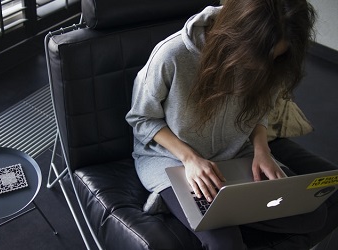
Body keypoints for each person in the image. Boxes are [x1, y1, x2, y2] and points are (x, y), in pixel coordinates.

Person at [126, 0, 338, 249]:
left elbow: (260, 111)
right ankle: (180, 200)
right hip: (171, 159)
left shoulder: (271, 61)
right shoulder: (171, 55)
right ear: (237, 33)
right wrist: (190, 159)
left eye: (274, 57)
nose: (263, 66)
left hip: (237, 154)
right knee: (226, 244)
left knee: (313, 215)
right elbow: (141, 118)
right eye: (258, 57)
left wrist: (262, 149)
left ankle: (207, 210)